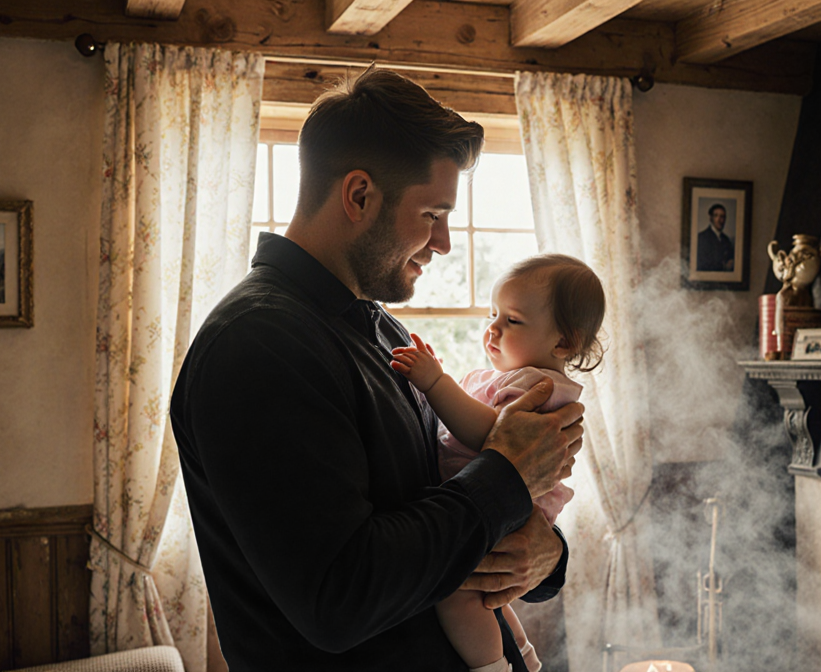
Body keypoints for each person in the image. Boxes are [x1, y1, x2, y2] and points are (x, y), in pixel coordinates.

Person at [169, 67, 583, 671]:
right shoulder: (257, 346)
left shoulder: (378, 327)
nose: (443, 242)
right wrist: (508, 474)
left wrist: (549, 554)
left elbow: (442, 505)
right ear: (359, 195)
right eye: (432, 214)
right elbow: (341, 597)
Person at [391, 254, 605, 672]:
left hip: (502, 507)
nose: (493, 328)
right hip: (488, 504)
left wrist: (435, 383)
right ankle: (523, 655)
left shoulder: (537, 386)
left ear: (563, 343)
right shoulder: (515, 378)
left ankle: (492, 666)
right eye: (493, 314)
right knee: (490, 596)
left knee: (459, 594)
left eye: (512, 320)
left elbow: (492, 436)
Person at [695, 203, 735, 272]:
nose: (719, 220)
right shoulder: (701, 237)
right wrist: (723, 266)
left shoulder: (726, 240)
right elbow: (701, 264)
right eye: (716, 216)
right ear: (711, 218)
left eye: (722, 217)